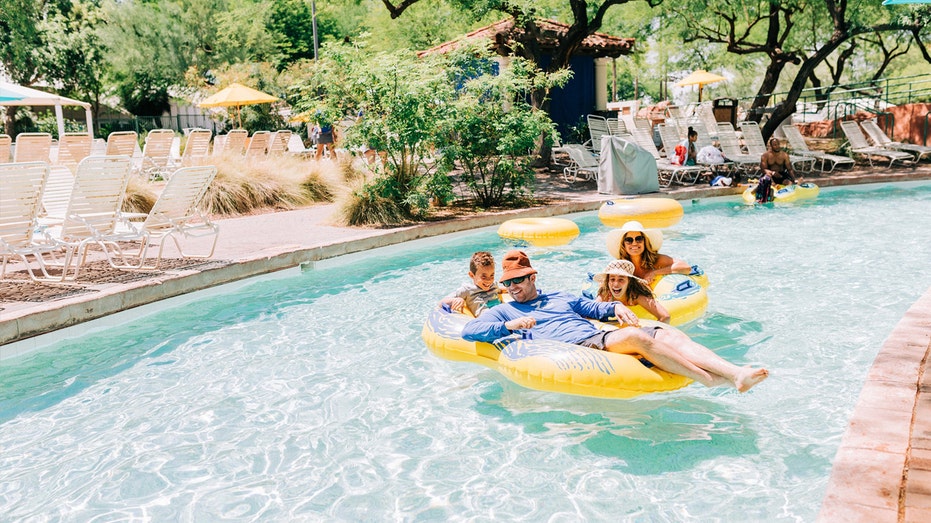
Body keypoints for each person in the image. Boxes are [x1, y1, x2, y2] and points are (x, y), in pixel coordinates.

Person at [461, 250, 768, 392]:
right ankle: (710, 381)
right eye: (509, 283)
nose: (512, 288)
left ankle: (735, 372)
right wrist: (507, 327)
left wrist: (614, 310)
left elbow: (592, 307)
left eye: (518, 281)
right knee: (637, 337)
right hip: (577, 347)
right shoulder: (507, 310)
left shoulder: (560, 296)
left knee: (664, 329)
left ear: (532, 277)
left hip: (596, 336)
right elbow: (470, 330)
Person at [606, 221, 692, 284]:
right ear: (623, 245)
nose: (634, 243)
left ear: (644, 241)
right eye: (629, 240)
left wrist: (654, 273)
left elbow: (685, 267)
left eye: (639, 239)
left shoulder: (655, 259)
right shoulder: (620, 265)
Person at [595, 259, 670, 323]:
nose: (616, 284)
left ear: (629, 281)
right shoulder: (606, 293)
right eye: (612, 279)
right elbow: (592, 311)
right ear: (608, 281)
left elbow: (665, 316)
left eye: (621, 279)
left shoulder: (636, 296)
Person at [439, 251, 502, 317]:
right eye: (484, 276)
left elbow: (501, 290)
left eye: (492, 275)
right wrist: (456, 299)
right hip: (488, 319)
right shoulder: (467, 290)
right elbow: (440, 303)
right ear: (472, 275)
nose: (489, 280)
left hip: (502, 314)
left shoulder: (494, 285)